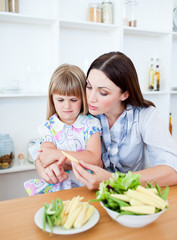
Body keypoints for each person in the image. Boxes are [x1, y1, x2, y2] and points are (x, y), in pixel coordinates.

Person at [70, 51, 177, 190]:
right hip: (86, 192)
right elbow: (51, 143)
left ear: (124, 94)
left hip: (132, 194)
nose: (90, 98)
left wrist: (114, 180)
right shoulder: (81, 111)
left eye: (103, 92)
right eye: (89, 87)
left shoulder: (146, 116)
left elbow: (172, 171)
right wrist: (43, 165)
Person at [24, 64, 102, 196]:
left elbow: (94, 158)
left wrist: (57, 154)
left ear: (83, 98)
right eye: (60, 99)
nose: (67, 106)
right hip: (60, 188)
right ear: (52, 99)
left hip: (87, 186)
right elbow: (46, 159)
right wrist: (58, 165)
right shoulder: (48, 127)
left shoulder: (91, 124)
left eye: (73, 99)